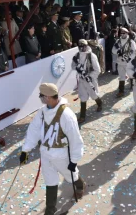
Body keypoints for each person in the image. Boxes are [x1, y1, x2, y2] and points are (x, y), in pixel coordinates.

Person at [19, 83, 86, 215]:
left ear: (48, 97)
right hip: (45, 153)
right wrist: (25, 150)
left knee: (71, 175)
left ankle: (80, 185)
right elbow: (34, 130)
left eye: (42, 97)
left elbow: (75, 139)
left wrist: (74, 160)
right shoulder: (42, 112)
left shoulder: (66, 115)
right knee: (50, 181)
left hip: (61, 155)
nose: (41, 99)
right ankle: (50, 211)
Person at [71, 39, 102, 124]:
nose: (82, 48)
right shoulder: (76, 56)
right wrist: (77, 68)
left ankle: (100, 104)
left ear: (86, 46)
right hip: (81, 79)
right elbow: (73, 66)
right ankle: (82, 116)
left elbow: (97, 70)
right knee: (83, 97)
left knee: (94, 95)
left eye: (83, 46)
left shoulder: (91, 56)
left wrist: (90, 76)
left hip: (90, 80)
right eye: (80, 46)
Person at [112, 27, 136, 98]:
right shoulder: (118, 41)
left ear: (127, 33)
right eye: (121, 33)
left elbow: (134, 52)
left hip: (128, 62)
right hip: (120, 62)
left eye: (124, 33)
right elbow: (113, 50)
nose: (122, 34)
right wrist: (118, 51)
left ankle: (132, 85)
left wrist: (129, 58)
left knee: (131, 74)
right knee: (121, 76)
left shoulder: (131, 42)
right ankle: (121, 91)